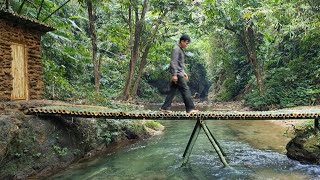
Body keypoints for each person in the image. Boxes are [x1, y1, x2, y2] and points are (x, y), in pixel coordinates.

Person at [160, 34, 199, 113]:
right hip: (177, 74)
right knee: (186, 90)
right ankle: (190, 109)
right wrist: (174, 74)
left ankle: (164, 108)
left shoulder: (180, 49)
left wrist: (183, 72)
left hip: (179, 73)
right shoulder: (176, 49)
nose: (187, 45)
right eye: (186, 43)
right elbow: (173, 62)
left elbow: (179, 63)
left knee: (172, 91)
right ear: (182, 41)